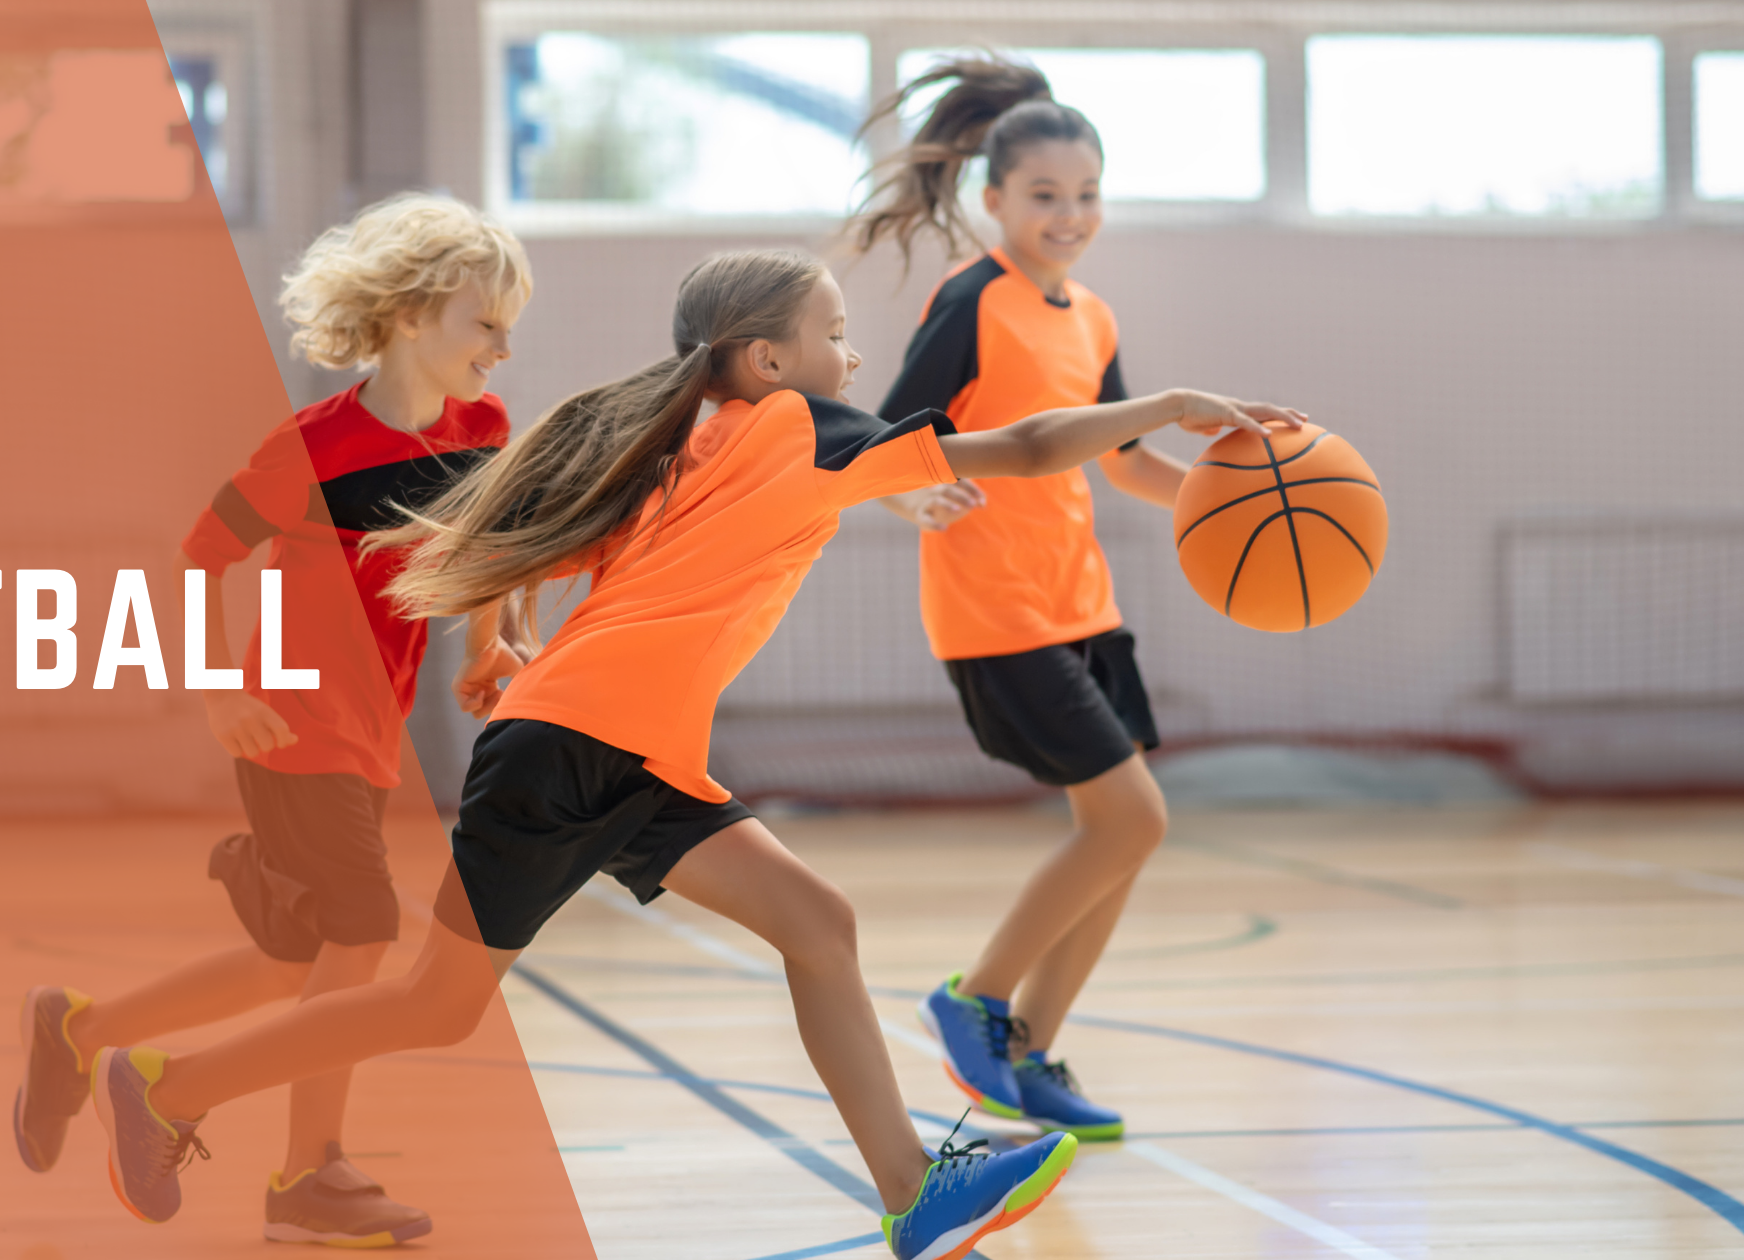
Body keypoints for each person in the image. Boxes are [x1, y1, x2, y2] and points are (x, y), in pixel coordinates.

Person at [80, 246, 1301, 1260]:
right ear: (769, 361)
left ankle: (913, 1193)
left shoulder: (684, 442)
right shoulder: (795, 426)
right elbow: (1025, 449)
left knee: (815, 922)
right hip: (567, 751)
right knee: (434, 1007)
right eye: (835, 332)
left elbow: (553, 553)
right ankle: (169, 1088)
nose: (853, 356)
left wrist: (499, 641)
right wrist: (1161, 408)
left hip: (630, 755)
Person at [11, 192, 533, 1247]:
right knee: (362, 935)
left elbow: (481, 556)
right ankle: (309, 1175)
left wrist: (488, 648)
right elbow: (200, 555)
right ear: (407, 318)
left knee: (289, 961)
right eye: (485, 325)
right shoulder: (310, 450)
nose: (502, 348)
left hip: (369, 732)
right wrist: (219, 686)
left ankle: (80, 1031)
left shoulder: (482, 432)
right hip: (294, 726)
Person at [849, 56, 1206, 1142]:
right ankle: (972, 1001)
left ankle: (1028, 1051)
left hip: (1080, 604)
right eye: (1044, 196)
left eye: (1085, 194)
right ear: (992, 200)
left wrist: (1233, 499)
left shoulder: (1088, 318)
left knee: (1122, 834)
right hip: (992, 608)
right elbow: (874, 445)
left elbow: (1127, 462)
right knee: (1130, 817)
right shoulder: (973, 300)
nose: (1068, 214)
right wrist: (907, 501)